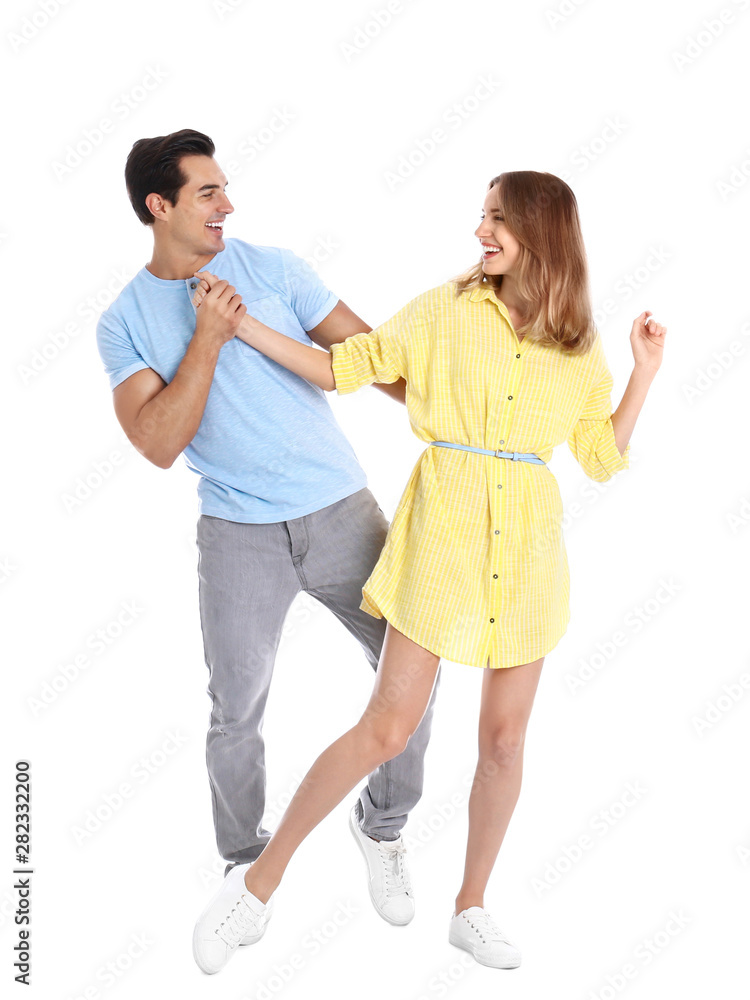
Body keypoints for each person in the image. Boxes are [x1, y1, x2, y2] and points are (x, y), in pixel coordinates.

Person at [190, 170, 667, 975]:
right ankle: (256, 887)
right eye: (482, 217)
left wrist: (643, 371)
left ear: (541, 233)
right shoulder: (447, 309)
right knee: (387, 727)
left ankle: (471, 906)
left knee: (506, 745)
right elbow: (349, 366)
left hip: (526, 558)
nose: (481, 231)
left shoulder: (578, 342)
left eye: (497, 220)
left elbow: (600, 458)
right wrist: (248, 334)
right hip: (442, 542)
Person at [95, 128, 441, 932]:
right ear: (160, 206)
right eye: (208, 193)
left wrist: (456, 420)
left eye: (225, 189)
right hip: (237, 535)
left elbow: (375, 359)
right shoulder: (123, 322)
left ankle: (381, 826)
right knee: (236, 709)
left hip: (341, 511)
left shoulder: (275, 268)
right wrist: (210, 338)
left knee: (414, 675)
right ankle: (245, 869)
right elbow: (154, 443)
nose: (228, 205)